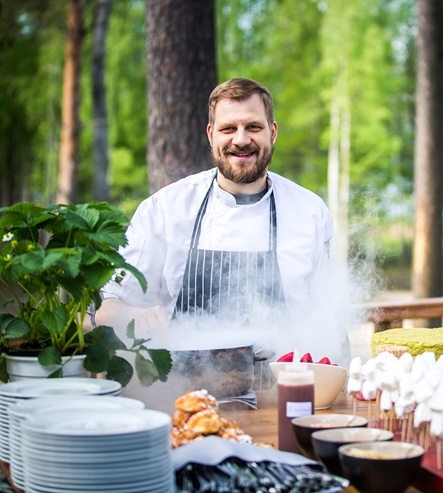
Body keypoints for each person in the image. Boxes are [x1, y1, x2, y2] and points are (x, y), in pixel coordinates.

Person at [94, 78, 334, 333]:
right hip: (183, 371)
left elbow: (328, 318)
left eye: (253, 127)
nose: (241, 140)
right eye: (228, 128)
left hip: (283, 372)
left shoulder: (309, 212)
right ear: (211, 135)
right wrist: (136, 316)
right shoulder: (165, 209)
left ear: (272, 133)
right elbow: (108, 310)